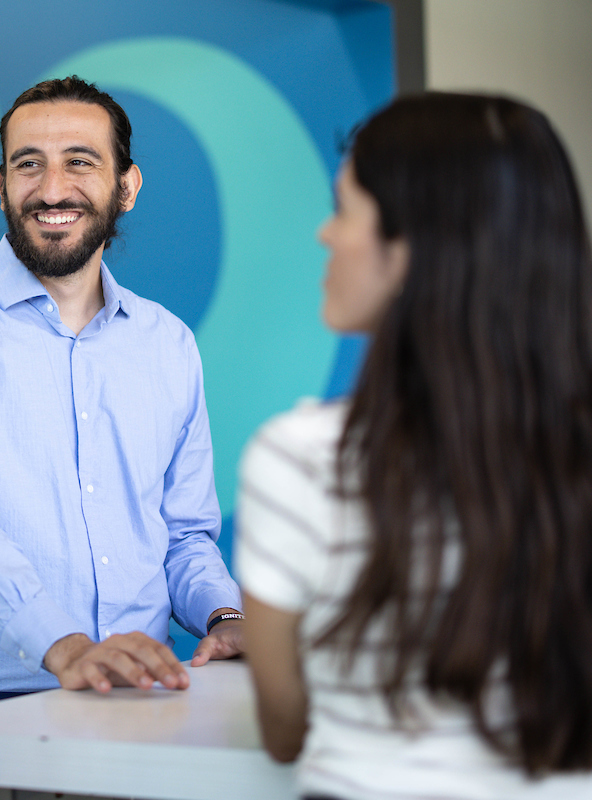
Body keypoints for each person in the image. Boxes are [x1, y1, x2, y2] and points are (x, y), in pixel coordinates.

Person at [237, 93, 592, 799]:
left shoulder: (302, 458)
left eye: (343, 209)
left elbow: (283, 732)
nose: (324, 236)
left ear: (411, 248)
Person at [0, 76, 244, 718]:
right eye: (28, 165)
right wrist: (64, 646)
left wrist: (225, 613)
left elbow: (183, 535)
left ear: (126, 187)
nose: (51, 190)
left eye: (80, 162)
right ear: (1, 186)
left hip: (140, 695)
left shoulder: (168, 343)